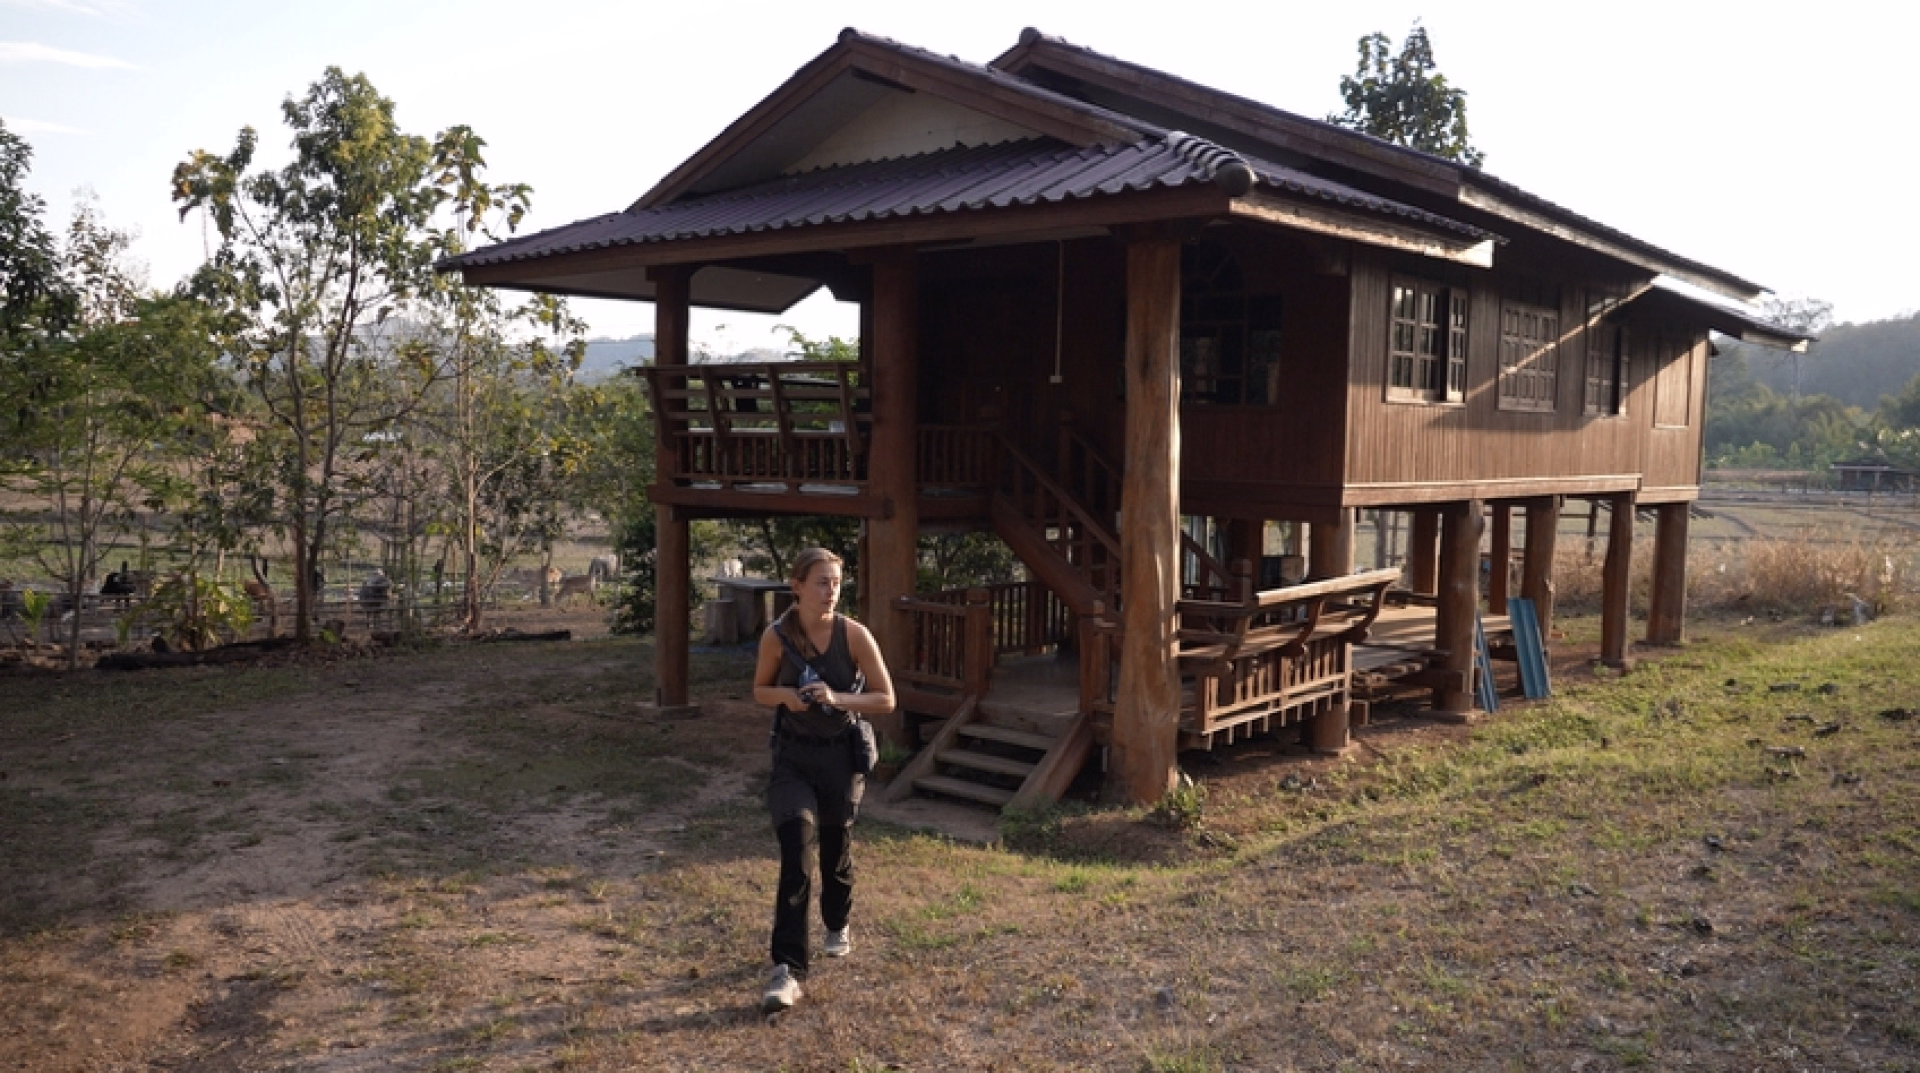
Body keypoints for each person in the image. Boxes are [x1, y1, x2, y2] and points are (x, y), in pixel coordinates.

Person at [751, 547, 895, 1014]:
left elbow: (885, 698)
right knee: (796, 848)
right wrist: (789, 698)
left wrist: (836, 697)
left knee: (835, 849)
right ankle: (787, 970)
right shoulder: (776, 636)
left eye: (836, 582)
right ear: (796, 586)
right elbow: (759, 691)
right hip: (793, 760)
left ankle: (838, 922)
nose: (831, 590)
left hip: (840, 758)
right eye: (821, 581)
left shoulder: (854, 635)